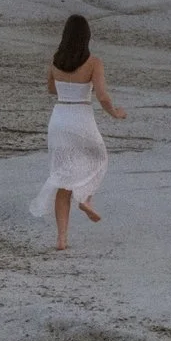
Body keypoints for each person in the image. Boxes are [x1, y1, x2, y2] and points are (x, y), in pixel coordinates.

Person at [33, 13, 124, 250]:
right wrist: (114, 113)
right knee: (98, 157)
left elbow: (51, 89)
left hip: (60, 117)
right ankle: (85, 198)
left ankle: (62, 238)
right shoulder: (94, 62)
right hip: (81, 116)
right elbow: (103, 96)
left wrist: (68, 86)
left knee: (63, 176)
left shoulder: (56, 61)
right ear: (87, 37)